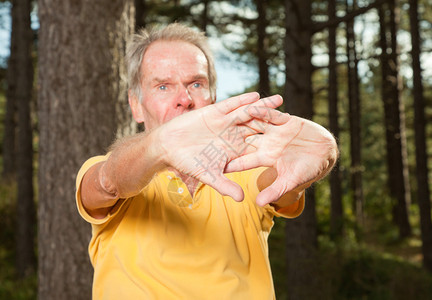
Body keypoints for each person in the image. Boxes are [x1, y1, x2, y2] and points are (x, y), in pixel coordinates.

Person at [76, 23, 338, 299]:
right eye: (163, 86)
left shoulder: (247, 166)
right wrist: (161, 144)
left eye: (196, 84)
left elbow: (278, 185)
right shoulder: (116, 168)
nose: (184, 100)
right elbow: (108, 182)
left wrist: (312, 158)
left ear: (212, 97)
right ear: (136, 105)